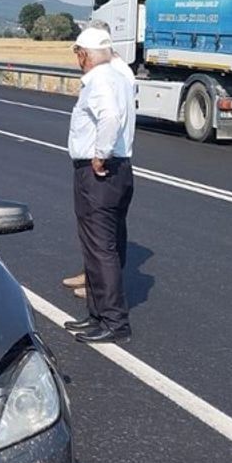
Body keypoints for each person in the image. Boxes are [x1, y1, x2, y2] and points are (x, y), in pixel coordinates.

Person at [62, 27, 136, 344]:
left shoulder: (99, 80)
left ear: (85, 55)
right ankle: (97, 315)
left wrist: (99, 155)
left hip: (99, 173)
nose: (78, 60)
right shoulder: (120, 75)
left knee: (99, 248)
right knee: (103, 246)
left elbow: (110, 117)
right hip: (121, 171)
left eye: (78, 54)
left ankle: (113, 321)